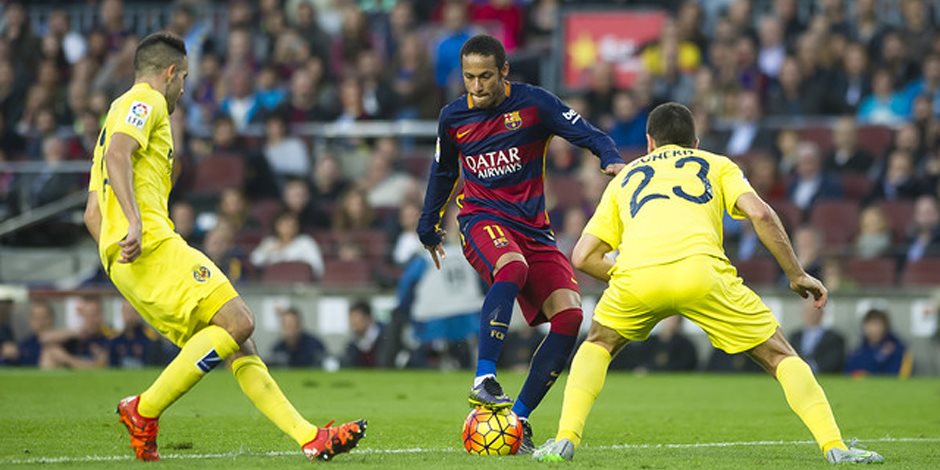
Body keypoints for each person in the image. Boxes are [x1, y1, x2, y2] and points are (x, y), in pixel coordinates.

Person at [534, 102, 882, 464]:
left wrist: (632, 271)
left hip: (636, 278)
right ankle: (835, 447)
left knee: (598, 344)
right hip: (703, 274)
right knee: (779, 355)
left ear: (650, 142)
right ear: (695, 143)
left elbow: (583, 256)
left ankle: (565, 439)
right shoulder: (718, 164)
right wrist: (797, 274)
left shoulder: (627, 175)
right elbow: (760, 212)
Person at [83, 32, 364, 462]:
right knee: (239, 321)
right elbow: (121, 155)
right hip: (151, 245)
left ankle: (311, 438)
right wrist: (137, 226)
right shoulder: (147, 101)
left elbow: (91, 215)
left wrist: (118, 252)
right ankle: (143, 409)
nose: (183, 89)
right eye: (184, 79)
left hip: (124, 260)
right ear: (170, 73)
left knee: (237, 344)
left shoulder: (111, 119)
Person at [416, 34, 625, 453]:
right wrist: (428, 225)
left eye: (485, 77)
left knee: (569, 317)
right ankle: (484, 378)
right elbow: (442, 172)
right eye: (469, 78)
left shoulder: (535, 105)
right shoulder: (453, 117)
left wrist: (610, 157)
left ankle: (519, 420)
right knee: (511, 267)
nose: (477, 87)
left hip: (533, 229)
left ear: (504, 71)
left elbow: (587, 132)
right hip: (480, 219)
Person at [845, 309, 911, 377]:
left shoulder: (897, 349)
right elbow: (848, 374)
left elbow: (901, 374)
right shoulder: (857, 352)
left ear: (885, 327)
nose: (873, 329)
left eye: (877, 324)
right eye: (870, 324)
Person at [789, 302, 846, 374]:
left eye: (814, 311)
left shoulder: (835, 338)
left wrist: (813, 368)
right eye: (807, 311)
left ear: (822, 313)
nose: (811, 314)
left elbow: (834, 360)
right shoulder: (795, 337)